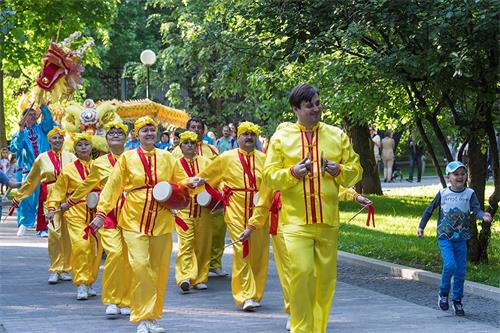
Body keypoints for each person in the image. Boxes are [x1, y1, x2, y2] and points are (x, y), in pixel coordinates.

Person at [261, 83, 362, 333]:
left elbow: (356, 171)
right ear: (296, 109)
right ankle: (300, 328)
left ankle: (319, 328)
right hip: (296, 222)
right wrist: (293, 172)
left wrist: (339, 170)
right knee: (302, 273)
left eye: (318, 103)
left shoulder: (336, 135)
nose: (317, 109)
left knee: (325, 282)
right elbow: (270, 176)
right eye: (310, 105)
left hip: (328, 221)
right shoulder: (282, 138)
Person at [89, 116, 178, 333]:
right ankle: (141, 316)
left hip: (161, 219)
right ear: (136, 135)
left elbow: (181, 183)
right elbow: (112, 187)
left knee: (158, 270)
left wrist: (190, 186)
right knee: (140, 265)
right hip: (133, 220)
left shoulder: (167, 157)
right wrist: (101, 213)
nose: (149, 133)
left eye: (151, 130)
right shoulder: (127, 158)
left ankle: (151, 318)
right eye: (144, 130)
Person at [190, 121, 270, 311]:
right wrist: (199, 190)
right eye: (245, 134)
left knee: (259, 252)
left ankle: (256, 293)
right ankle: (245, 295)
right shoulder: (226, 157)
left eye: (252, 134)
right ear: (238, 137)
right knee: (242, 249)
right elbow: (207, 176)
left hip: (259, 208)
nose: (249, 138)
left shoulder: (265, 158)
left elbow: (273, 183)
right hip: (235, 207)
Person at [63, 121, 132, 317]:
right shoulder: (100, 163)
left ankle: (126, 299)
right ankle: (111, 299)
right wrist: (70, 201)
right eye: (112, 133)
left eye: (120, 132)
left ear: (126, 137)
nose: (116, 135)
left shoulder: (133, 157)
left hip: (133, 216)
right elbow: (87, 185)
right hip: (108, 216)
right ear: (106, 139)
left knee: (128, 258)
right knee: (115, 254)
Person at [418, 161, 492, 316]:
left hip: (461, 238)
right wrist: (421, 227)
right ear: (448, 177)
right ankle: (443, 293)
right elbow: (429, 210)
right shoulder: (443, 193)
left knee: (460, 271)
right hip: (445, 237)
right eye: (455, 174)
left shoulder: (469, 193)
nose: (459, 177)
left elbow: (476, 210)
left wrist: (483, 215)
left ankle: (457, 301)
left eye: (462, 174)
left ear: (466, 176)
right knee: (450, 265)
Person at [11, 127, 75, 283]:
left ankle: (66, 268)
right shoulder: (41, 158)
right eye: (55, 138)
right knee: (54, 233)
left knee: (67, 234)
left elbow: (79, 176)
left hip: (68, 198)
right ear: (49, 140)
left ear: (64, 140)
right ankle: (55, 268)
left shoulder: (71, 157)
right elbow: (31, 180)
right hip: (51, 196)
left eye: (60, 138)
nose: (58, 141)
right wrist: (19, 196)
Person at [46, 133, 102, 301]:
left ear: (91, 147)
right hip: (75, 212)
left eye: (86, 144)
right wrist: (52, 207)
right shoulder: (68, 169)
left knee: (95, 249)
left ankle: (90, 282)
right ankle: (82, 284)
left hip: (96, 212)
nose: (83, 147)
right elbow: (58, 190)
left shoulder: (99, 167)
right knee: (81, 246)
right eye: (80, 145)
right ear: (75, 149)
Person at [172, 118, 227, 277]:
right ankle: (187, 274)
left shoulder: (211, 150)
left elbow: (219, 173)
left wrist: (220, 192)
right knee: (187, 241)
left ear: (203, 131)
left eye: (199, 127)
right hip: (185, 204)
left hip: (208, 201)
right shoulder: (175, 153)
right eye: (192, 127)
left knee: (213, 235)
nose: (196, 130)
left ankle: (213, 265)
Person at [172, 131, 213, 293]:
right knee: (186, 243)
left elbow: (216, 178)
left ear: (197, 146)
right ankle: (184, 277)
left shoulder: (206, 161)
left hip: (203, 207)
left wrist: (206, 181)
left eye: (192, 143)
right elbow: (171, 182)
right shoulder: (174, 163)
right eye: (186, 143)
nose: (189, 145)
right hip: (184, 208)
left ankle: (200, 278)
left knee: (203, 244)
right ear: (180, 146)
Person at [10, 104, 55, 236]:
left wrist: (44, 107)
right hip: (28, 170)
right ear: (24, 117)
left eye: (35, 114)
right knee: (27, 196)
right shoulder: (20, 134)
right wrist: (20, 129)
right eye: (30, 114)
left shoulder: (42, 129)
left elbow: (49, 122)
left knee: (45, 197)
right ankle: (24, 223)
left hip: (45, 169)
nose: (34, 116)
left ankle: (43, 227)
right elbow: (15, 148)